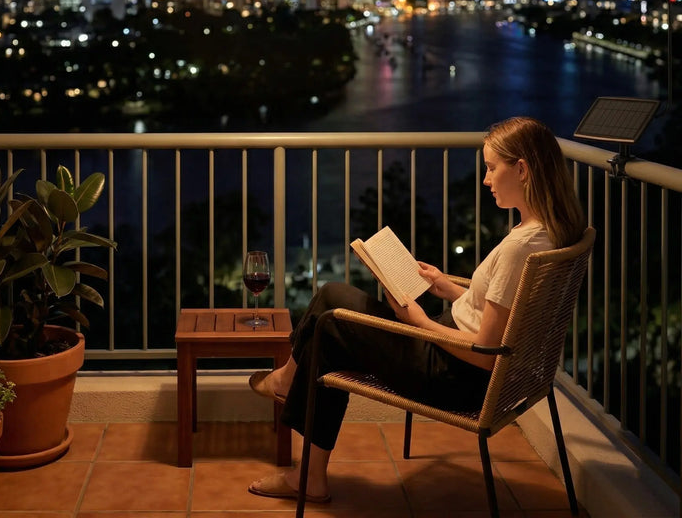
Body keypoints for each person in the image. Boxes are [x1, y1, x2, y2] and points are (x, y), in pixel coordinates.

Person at [246, 116, 586, 504]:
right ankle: (304, 455)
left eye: (492, 168)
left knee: (331, 302)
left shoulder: (518, 249)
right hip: (474, 365)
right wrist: (447, 287)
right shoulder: (552, 233)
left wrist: (419, 321)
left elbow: (487, 353)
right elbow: (502, 314)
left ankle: (288, 388)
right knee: (332, 329)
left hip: (452, 375)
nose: (485, 180)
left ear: (522, 170)